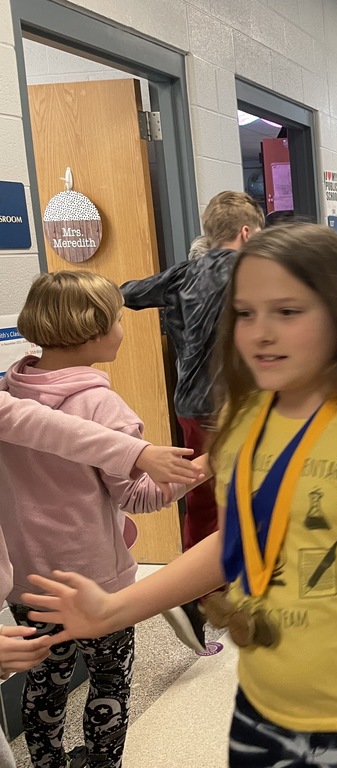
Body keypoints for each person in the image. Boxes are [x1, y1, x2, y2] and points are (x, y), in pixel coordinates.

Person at [24, 223, 337, 768]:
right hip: (263, 709)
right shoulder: (247, 420)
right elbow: (238, 542)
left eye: (288, 312)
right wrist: (113, 609)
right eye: (245, 313)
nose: (260, 332)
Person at [1, 271, 210, 768]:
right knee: (110, 677)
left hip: (26, 579)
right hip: (97, 577)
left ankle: (47, 761)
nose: (123, 328)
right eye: (118, 319)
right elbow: (138, 497)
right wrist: (197, 474)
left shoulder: (11, 389)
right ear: (93, 331)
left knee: (45, 679)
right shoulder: (102, 405)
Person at [120, 190, 264, 649]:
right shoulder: (254, 272)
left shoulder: (183, 273)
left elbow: (125, 293)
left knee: (201, 499)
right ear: (246, 232)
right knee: (248, 499)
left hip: (190, 406)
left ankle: (196, 595)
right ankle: (235, 593)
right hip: (236, 405)